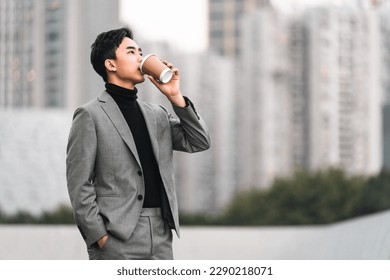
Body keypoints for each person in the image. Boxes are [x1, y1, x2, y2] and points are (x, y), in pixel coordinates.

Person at [66, 27, 210, 260]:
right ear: (110, 64)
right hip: (116, 235)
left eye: (141, 52)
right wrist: (99, 235)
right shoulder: (89, 115)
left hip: (161, 233)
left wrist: (175, 96)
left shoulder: (157, 114)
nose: (140, 58)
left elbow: (199, 141)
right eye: (131, 52)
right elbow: (79, 183)